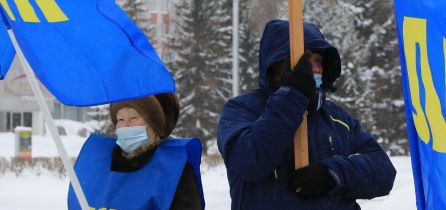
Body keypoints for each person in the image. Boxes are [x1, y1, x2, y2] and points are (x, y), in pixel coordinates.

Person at [217, 19, 396, 209]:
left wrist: (332, 175)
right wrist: (292, 98)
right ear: (277, 64)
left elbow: (383, 172)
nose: (315, 68)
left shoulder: (336, 118)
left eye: (318, 61)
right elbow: (250, 163)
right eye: (304, 60)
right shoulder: (242, 111)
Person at [68, 92, 205, 210]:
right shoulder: (99, 165)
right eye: (120, 119)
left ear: (153, 126)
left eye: (133, 118)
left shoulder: (174, 169)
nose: (125, 126)